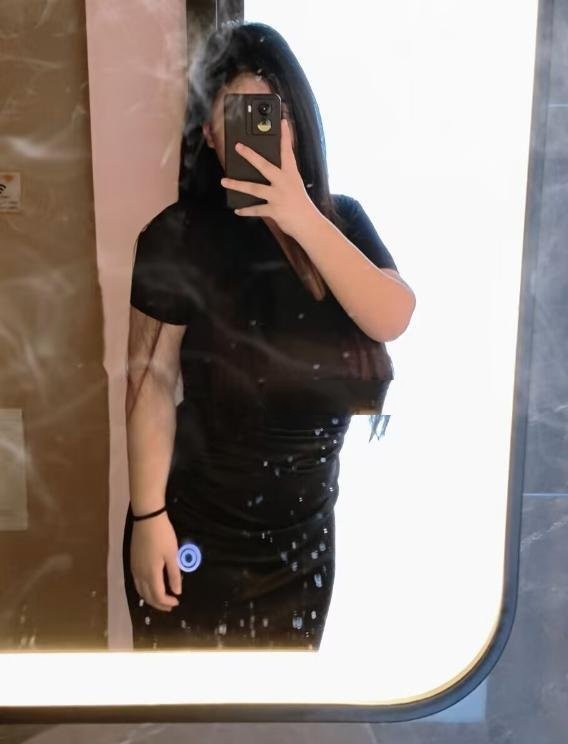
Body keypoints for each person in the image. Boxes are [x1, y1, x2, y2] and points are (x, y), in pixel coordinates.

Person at [122, 20, 415, 650]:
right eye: (234, 114)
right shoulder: (179, 234)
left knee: (281, 701)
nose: (253, 131)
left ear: (295, 122)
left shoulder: (340, 222)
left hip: (303, 544)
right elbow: (151, 380)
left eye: (268, 112)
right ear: (208, 132)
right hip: (194, 529)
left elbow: (392, 316)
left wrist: (300, 215)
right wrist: (148, 515)